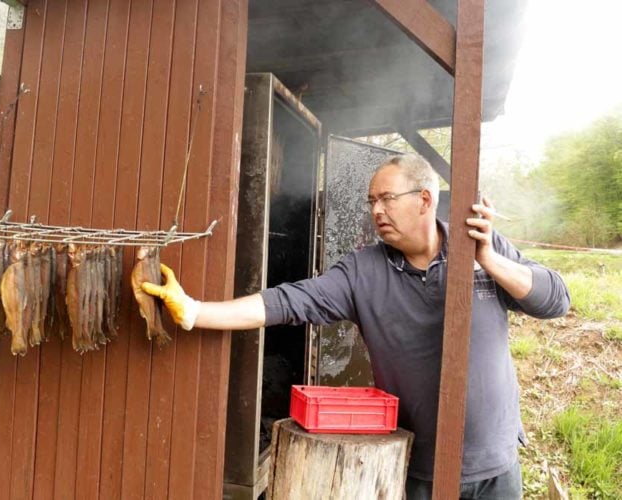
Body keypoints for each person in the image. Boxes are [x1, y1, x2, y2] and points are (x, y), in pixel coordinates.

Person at [142, 153, 570, 499]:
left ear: (424, 199)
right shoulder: (363, 271)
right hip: (422, 468)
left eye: (386, 198)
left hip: (497, 466)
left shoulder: (480, 245)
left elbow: (556, 300)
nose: (376, 210)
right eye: (371, 202)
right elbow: (287, 301)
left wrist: (490, 261)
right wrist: (196, 311)